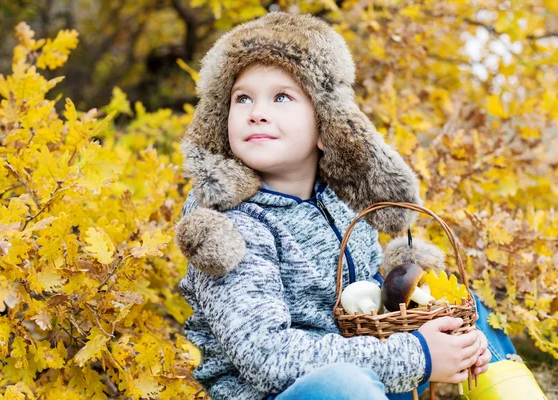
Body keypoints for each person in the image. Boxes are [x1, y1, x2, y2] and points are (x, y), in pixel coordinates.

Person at [175, 11, 539, 400]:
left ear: (325, 124)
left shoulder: (339, 199)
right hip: (290, 391)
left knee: (458, 302)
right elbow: (268, 359)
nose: (256, 111)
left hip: (372, 367)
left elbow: (367, 303)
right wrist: (420, 355)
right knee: (344, 384)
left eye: (281, 97)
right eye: (242, 98)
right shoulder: (229, 224)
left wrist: (423, 309)